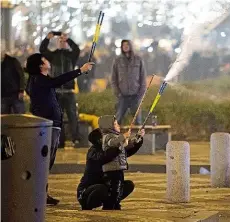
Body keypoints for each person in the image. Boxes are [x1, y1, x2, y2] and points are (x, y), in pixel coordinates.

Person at [25, 53, 94, 205]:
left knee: (46, 162)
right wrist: (80, 70)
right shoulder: (38, 80)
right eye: (45, 60)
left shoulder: (39, 81)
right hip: (48, 124)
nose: (48, 61)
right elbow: (58, 81)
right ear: (40, 65)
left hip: (51, 123)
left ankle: (42, 193)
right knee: (44, 161)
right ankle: (37, 194)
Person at [77, 116, 145, 210]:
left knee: (127, 185)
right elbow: (105, 157)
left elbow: (126, 152)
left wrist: (138, 140)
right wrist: (119, 146)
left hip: (106, 186)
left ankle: (112, 202)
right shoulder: (93, 152)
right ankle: (87, 206)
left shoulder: (109, 148)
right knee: (102, 189)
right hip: (86, 192)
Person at [40, 31, 81, 147]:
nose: (62, 43)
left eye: (64, 42)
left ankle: (76, 138)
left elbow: (77, 49)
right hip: (57, 91)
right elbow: (42, 49)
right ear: (57, 43)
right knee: (58, 117)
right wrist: (47, 38)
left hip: (69, 91)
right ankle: (60, 140)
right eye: (60, 41)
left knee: (73, 115)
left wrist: (68, 39)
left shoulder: (71, 56)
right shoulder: (53, 55)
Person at [111, 40, 147, 125]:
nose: (125, 46)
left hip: (136, 95)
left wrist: (141, 93)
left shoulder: (138, 59)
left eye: (127, 44)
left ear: (131, 46)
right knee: (118, 120)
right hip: (122, 96)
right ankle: (115, 137)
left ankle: (138, 138)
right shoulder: (117, 60)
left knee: (138, 121)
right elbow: (113, 78)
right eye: (123, 45)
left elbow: (143, 77)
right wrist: (117, 93)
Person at [1, 49, 25, 114]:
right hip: (3, 96)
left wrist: (21, 90)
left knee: (20, 117)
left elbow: (21, 75)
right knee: (4, 119)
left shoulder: (12, 61)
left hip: (16, 94)